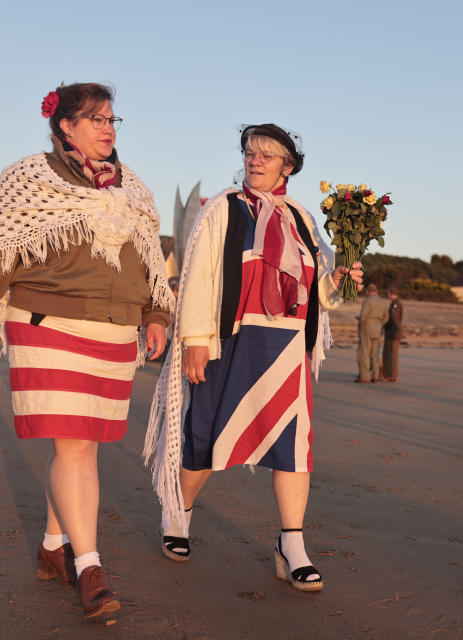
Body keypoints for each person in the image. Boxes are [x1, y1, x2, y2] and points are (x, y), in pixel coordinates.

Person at [0, 83, 172, 620]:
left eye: (112, 119)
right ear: (64, 125)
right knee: (73, 446)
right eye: (94, 118)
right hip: (47, 322)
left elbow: (149, 261)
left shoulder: (134, 189)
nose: (107, 129)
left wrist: (157, 314)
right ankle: (89, 567)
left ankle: (53, 548)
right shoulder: (29, 177)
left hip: (116, 331)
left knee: (83, 447)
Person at [144, 123, 363, 593]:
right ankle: (178, 514)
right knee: (206, 433)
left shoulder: (303, 218)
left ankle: (292, 544)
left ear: (288, 165)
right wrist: (196, 340)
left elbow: (319, 290)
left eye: (267, 154)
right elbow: (200, 277)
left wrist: (340, 277)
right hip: (232, 341)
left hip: (286, 346)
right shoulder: (223, 209)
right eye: (250, 151)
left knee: (293, 443)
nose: (255, 159)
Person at [355, 283, 388, 383]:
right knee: (375, 353)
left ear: (367, 292)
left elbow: (363, 316)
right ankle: (376, 375)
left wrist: (360, 327)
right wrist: (380, 324)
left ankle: (365, 376)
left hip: (367, 327)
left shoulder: (367, 300)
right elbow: (386, 317)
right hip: (378, 328)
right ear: (377, 291)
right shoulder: (383, 302)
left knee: (364, 352)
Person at [381, 286, 403, 382]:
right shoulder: (395, 303)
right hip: (392, 332)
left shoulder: (396, 304)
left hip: (393, 333)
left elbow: (393, 318)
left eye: (388, 293)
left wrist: (384, 324)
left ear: (391, 293)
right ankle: (390, 375)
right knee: (389, 354)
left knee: (392, 355)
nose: (387, 295)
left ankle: (392, 376)